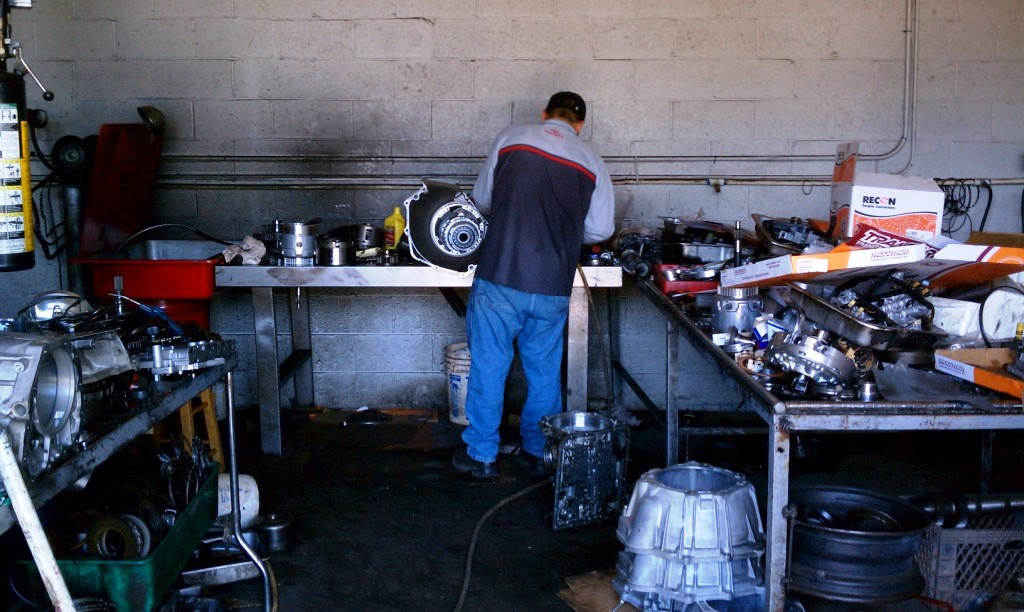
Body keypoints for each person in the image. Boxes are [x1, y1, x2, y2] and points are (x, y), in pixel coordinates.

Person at [451, 91, 616, 479]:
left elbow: (483, 200)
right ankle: (538, 450)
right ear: (579, 124)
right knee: (543, 373)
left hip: (501, 276)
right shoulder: (592, 161)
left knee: (489, 367)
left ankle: (482, 456)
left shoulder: (512, 137)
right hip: (553, 286)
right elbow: (601, 229)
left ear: (545, 114)